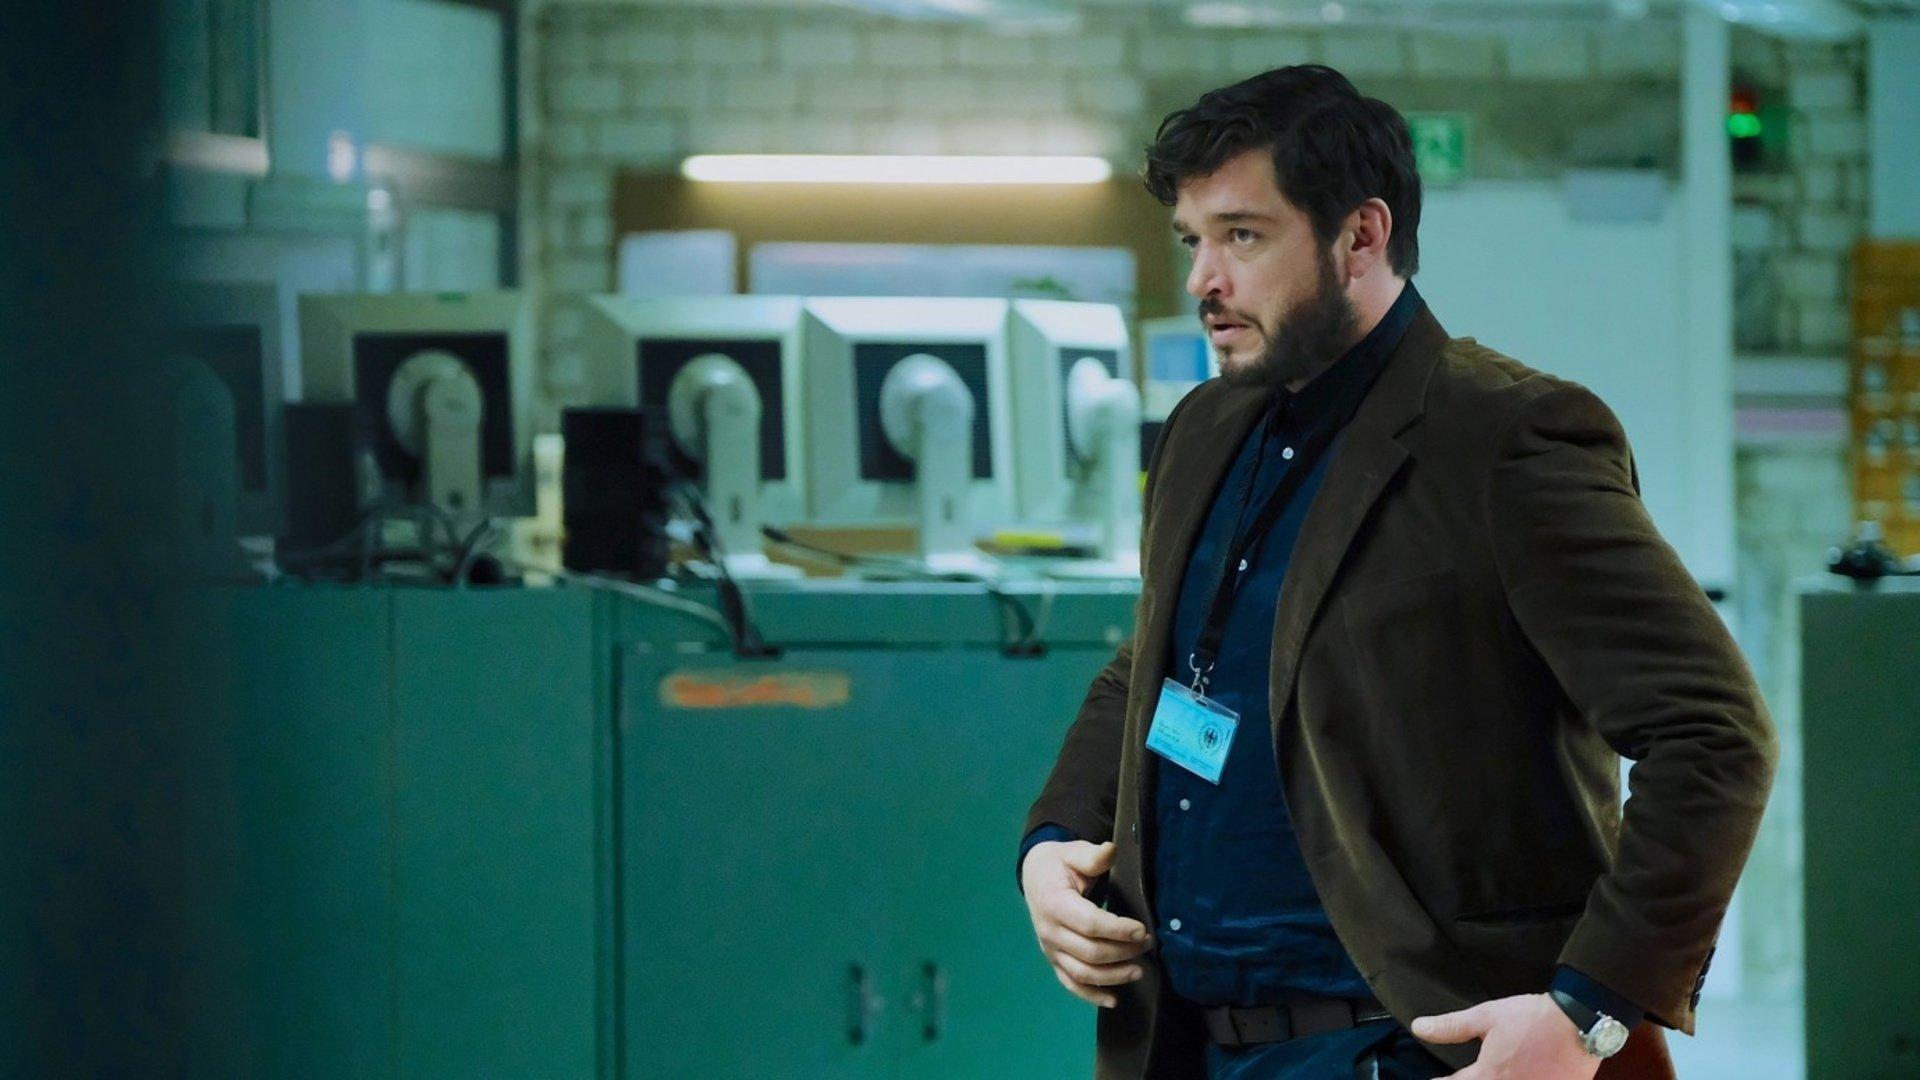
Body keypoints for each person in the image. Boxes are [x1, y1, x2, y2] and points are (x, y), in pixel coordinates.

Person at [1017, 65, 1776, 1080]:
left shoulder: (1504, 436)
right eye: (1193, 239)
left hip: (1411, 1045)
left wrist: (1589, 1010)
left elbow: (1712, 735)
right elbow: (1153, 664)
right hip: (1187, 1040)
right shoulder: (1206, 428)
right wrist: (1052, 841)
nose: (1204, 279)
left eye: (1243, 236)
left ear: (1360, 237)